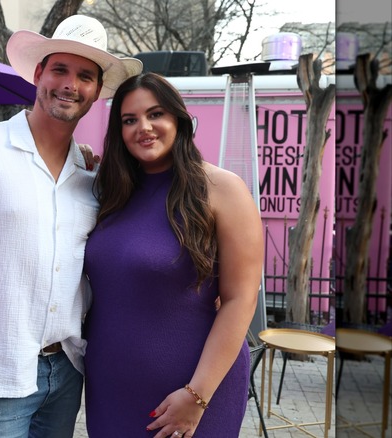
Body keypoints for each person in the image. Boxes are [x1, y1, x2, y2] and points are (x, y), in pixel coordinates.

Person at [0, 15, 142, 438]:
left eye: (85, 76)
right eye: (60, 69)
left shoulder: (90, 175)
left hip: (67, 371)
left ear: (95, 92)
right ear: (39, 74)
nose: (70, 84)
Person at [82, 72, 263, 437]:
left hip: (192, 392)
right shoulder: (111, 190)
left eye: (156, 114)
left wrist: (197, 396)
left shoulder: (221, 188)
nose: (143, 127)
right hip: (110, 388)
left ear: (179, 119)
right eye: (129, 120)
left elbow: (240, 298)